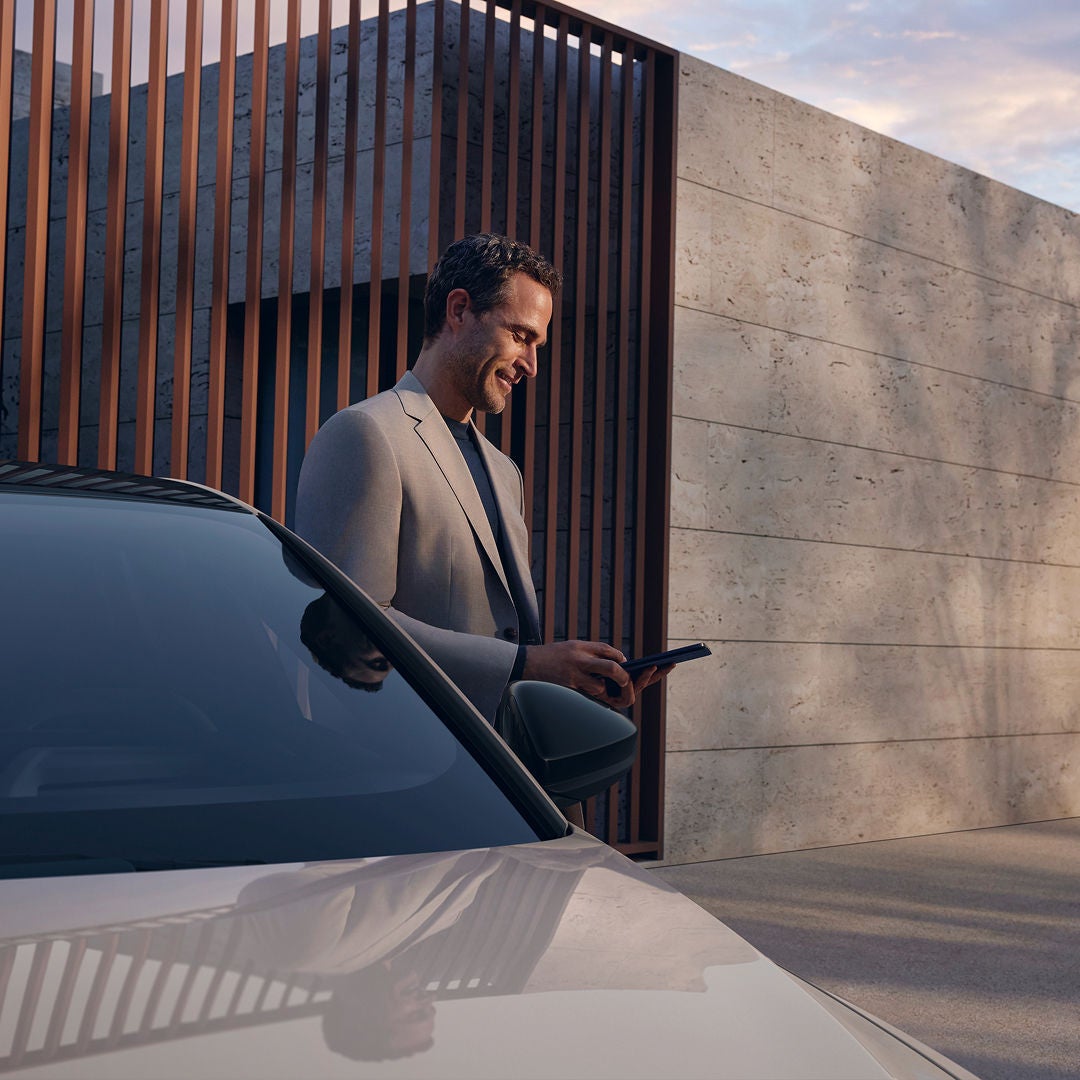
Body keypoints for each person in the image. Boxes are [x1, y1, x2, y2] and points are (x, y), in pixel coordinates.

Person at [295, 234, 663, 724]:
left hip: (510, 774)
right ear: (460, 309)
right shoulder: (365, 434)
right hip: (415, 770)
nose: (532, 365)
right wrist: (527, 664)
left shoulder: (505, 471)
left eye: (538, 345)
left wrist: (570, 683)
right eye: (521, 336)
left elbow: (501, 648)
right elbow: (344, 626)